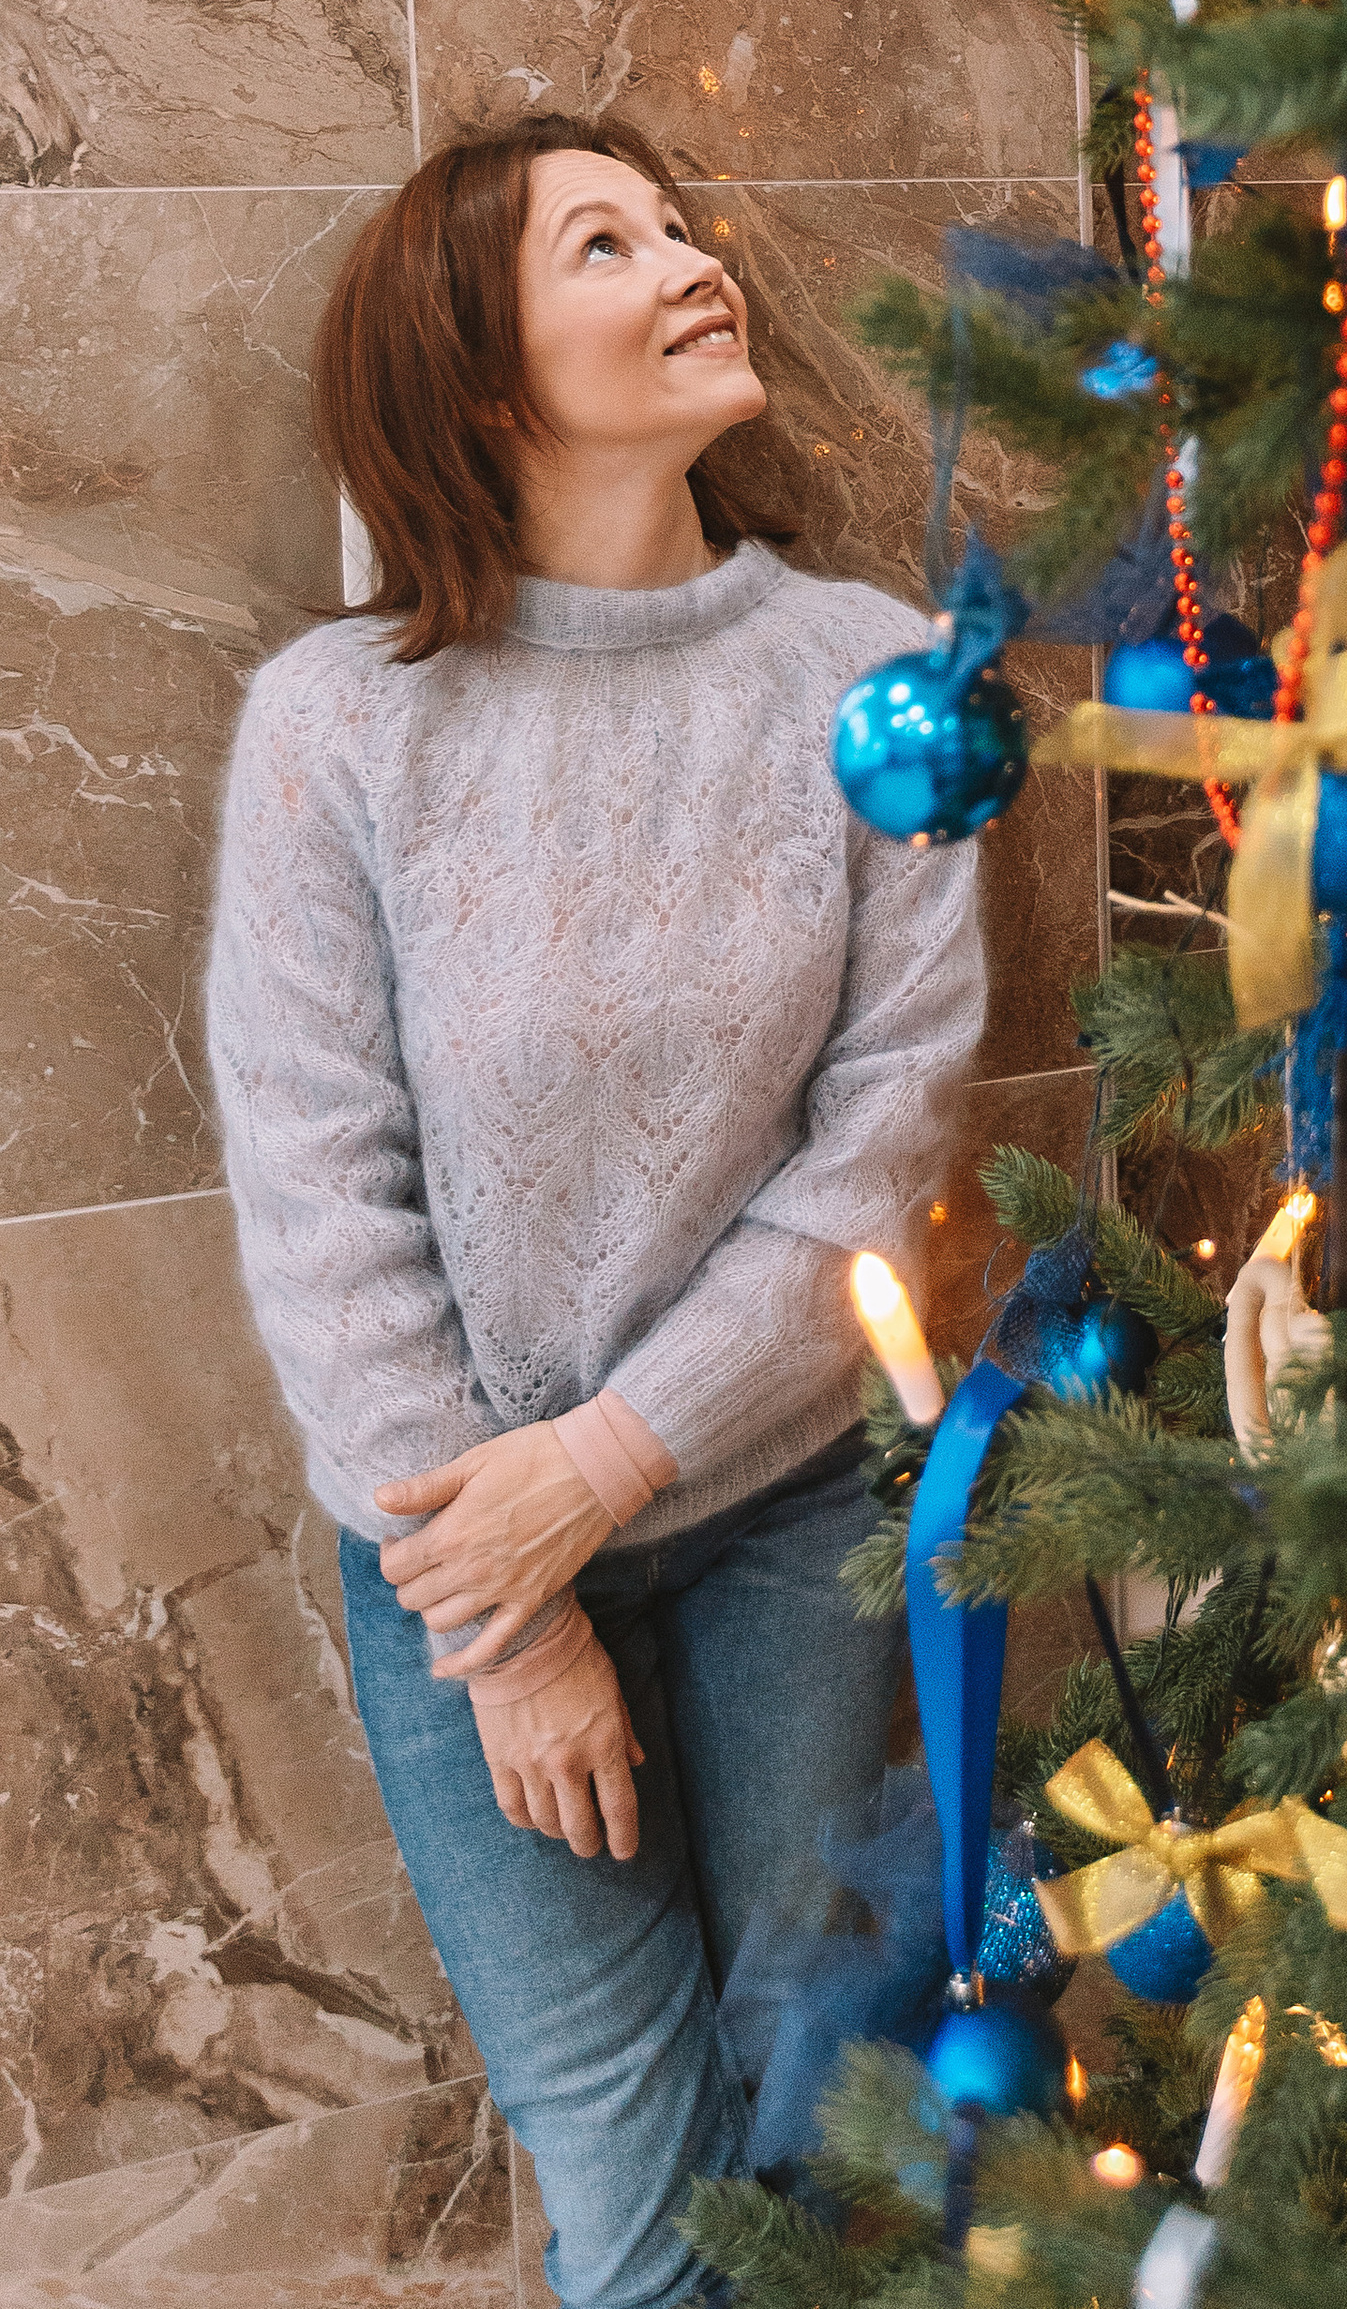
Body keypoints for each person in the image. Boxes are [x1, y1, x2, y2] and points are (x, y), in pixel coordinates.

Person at [208, 116, 984, 2307]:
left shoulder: (873, 673)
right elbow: (319, 1199)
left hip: (786, 1505)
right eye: (606, 243)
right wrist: (516, 1603)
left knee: (822, 2126)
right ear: (477, 374)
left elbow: (885, 1144)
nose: (689, 261)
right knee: (633, 2192)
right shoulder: (337, 731)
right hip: (456, 1565)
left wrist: (612, 1464)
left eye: (680, 224)